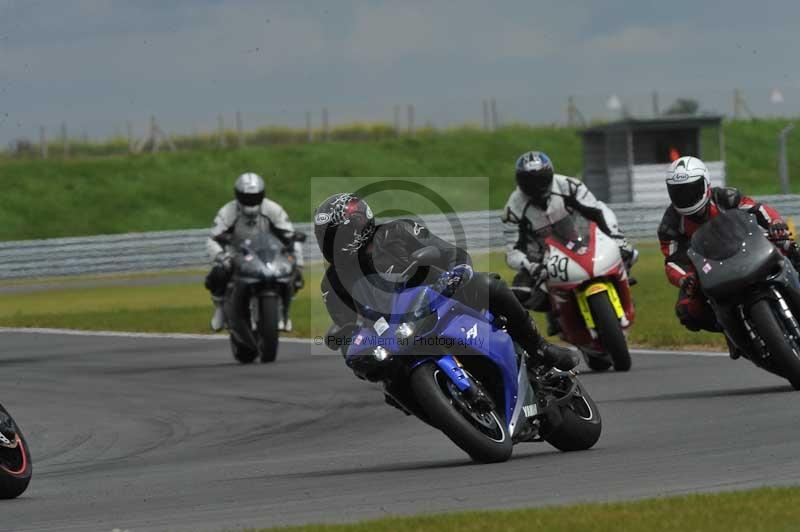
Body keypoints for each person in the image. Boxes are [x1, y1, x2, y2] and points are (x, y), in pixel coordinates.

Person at [313, 192, 578, 373]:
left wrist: (456, 271)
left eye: (338, 234)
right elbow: (347, 327)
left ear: (358, 225)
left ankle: (540, 348)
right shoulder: (332, 282)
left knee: (490, 285)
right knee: (384, 381)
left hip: (442, 296)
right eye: (326, 238)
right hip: (398, 335)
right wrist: (348, 343)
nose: (332, 244)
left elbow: (452, 254)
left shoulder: (398, 231)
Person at [658, 156, 795, 357]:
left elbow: (757, 209)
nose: (685, 196)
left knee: (790, 247)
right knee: (687, 310)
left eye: (691, 189)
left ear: (705, 184)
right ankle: (730, 329)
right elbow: (672, 260)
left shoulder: (726, 197)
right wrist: (685, 278)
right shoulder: (670, 224)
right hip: (708, 268)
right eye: (679, 192)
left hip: (747, 249)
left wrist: (775, 224)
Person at [502, 151, 636, 334]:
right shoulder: (513, 207)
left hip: (577, 237)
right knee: (520, 293)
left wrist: (616, 238)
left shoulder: (569, 185)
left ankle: (623, 280)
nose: (535, 186)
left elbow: (597, 210)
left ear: (549, 174)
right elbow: (512, 251)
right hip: (541, 253)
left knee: (629, 253)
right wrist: (530, 265)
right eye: (528, 180)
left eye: (540, 179)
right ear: (519, 181)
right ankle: (555, 316)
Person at [205, 172, 303, 331]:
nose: (250, 201)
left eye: (254, 197)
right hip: (237, 254)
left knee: (295, 276)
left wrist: (297, 263)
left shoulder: (273, 209)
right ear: (238, 195)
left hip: (268, 254)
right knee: (218, 273)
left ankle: (284, 312)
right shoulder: (227, 212)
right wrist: (221, 256)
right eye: (246, 197)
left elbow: (290, 235)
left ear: (262, 195)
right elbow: (213, 238)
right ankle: (220, 308)